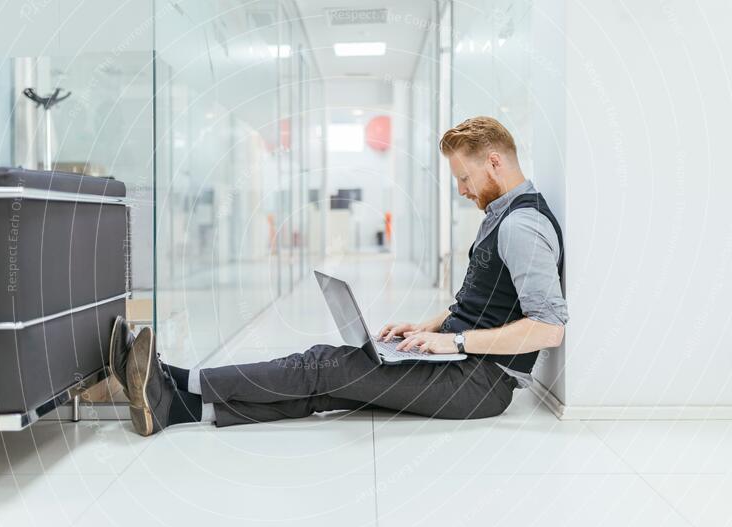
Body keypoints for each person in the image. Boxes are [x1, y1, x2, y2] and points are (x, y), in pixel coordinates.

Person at [110, 116, 568, 435]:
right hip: (461, 364)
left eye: (464, 177)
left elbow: (549, 329)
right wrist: (431, 327)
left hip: (480, 384)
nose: (461, 189)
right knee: (328, 386)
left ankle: (179, 378)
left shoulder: (523, 226)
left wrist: (457, 342)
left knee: (325, 365)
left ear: (494, 162)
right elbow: (487, 301)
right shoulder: (499, 215)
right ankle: (176, 408)